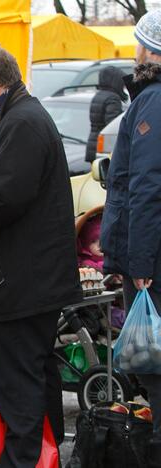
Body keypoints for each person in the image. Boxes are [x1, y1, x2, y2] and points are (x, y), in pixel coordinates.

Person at [0, 43, 82, 467]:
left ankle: (24, 460)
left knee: (18, 384)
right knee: (34, 377)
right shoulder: (17, 117)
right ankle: (44, 458)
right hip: (26, 280)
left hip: (20, 284)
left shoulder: (22, 122)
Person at [100, 10, 161, 464]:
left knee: (155, 363)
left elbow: (146, 185)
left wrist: (138, 264)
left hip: (153, 261)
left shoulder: (153, 100)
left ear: (148, 50)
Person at [85, 65, 127, 162]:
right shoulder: (113, 98)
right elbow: (112, 124)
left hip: (93, 143)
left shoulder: (99, 95)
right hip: (104, 146)